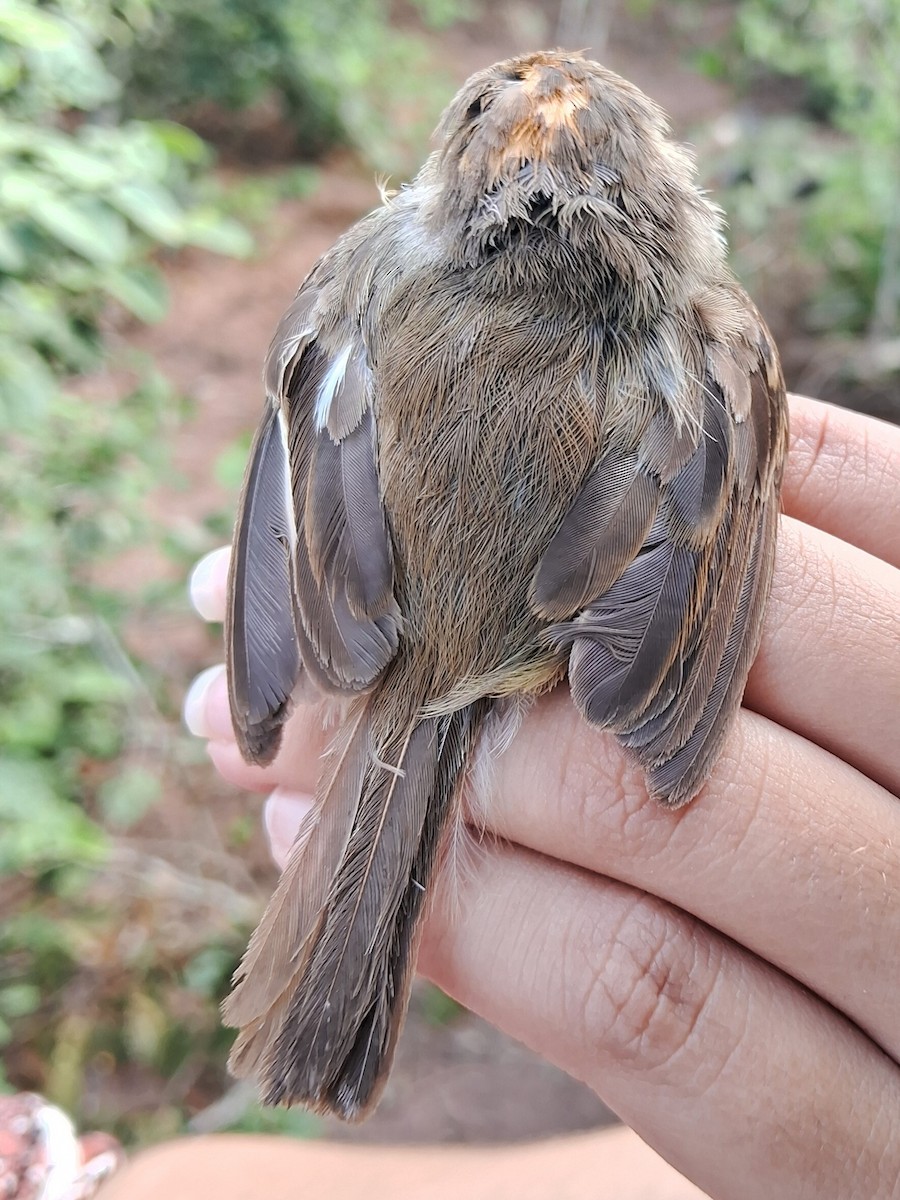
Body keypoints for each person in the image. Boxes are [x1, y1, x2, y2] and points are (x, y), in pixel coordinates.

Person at [107, 393, 899, 1199]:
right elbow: (709, 517)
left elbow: (305, 420)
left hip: (393, 610)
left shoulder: (356, 279)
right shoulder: (721, 341)